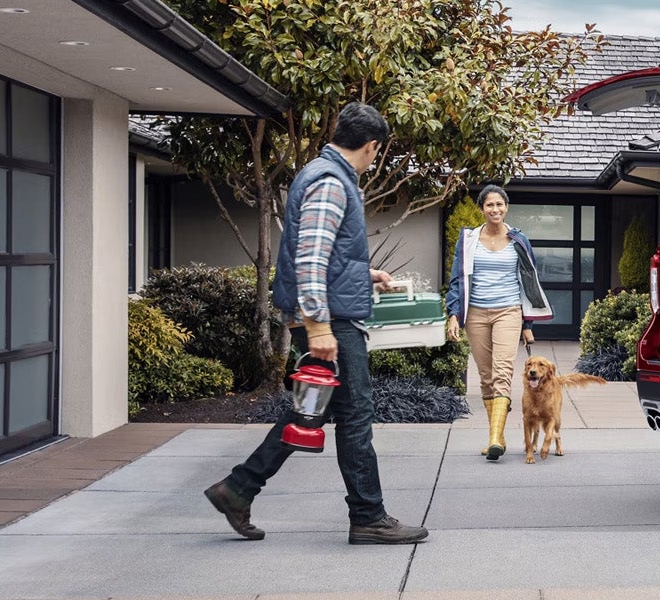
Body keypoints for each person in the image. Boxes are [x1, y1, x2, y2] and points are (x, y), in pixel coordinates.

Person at [203, 102, 429, 545]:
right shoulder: (331, 183)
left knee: (312, 411)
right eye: (376, 151)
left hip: (330, 314)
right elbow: (309, 259)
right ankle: (368, 516)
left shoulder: (322, 173)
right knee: (356, 417)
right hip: (332, 322)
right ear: (370, 147)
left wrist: (365, 275)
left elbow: (324, 254)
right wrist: (319, 325)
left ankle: (238, 489)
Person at [444, 184, 551, 461]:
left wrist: (528, 325)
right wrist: (453, 314)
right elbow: (457, 278)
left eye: (499, 205)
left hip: (508, 311)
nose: (495, 210)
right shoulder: (468, 240)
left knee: (502, 371)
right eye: (489, 205)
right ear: (482, 209)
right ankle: (498, 434)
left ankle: (493, 439)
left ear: (506, 208)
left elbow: (529, 282)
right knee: (486, 376)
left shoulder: (519, 240)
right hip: (476, 313)